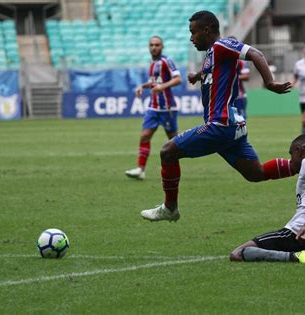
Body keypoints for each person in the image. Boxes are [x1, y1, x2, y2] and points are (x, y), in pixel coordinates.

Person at [140, 11, 292, 222]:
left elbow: (256, 54)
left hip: (220, 125)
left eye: (193, 32)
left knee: (167, 152)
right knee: (255, 173)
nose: (191, 38)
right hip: (232, 126)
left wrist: (269, 83)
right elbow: (216, 71)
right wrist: (198, 75)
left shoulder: (222, 45)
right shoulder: (213, 53)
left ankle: (170, 208)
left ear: (207, 30)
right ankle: (302, 164)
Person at [230, 134, 305, 264]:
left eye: (291, 154)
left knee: (238, 253)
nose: (291, 161)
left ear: (299, 150)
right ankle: (297, 255)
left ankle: (293, 257)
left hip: (298, 237)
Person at [125, 36, 182, 180]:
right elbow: (154, 82)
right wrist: (142, 86)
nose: (154, 47)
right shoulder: (153, 63)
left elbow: (178, 78)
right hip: (153, 107)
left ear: (162, 47)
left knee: (173, 142)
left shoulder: (166, 61)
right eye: (151, 45)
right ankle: (140, 170)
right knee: (145, 136)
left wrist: (162, 86)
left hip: (167, 108)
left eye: (157, 45)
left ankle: (175, 169)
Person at [229, 36, 251, 119]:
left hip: (239, 95)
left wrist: (232, 77)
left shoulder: (241, 61)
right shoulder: (223, 60)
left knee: (241, 120)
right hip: (227, 96)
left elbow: (246, 76)